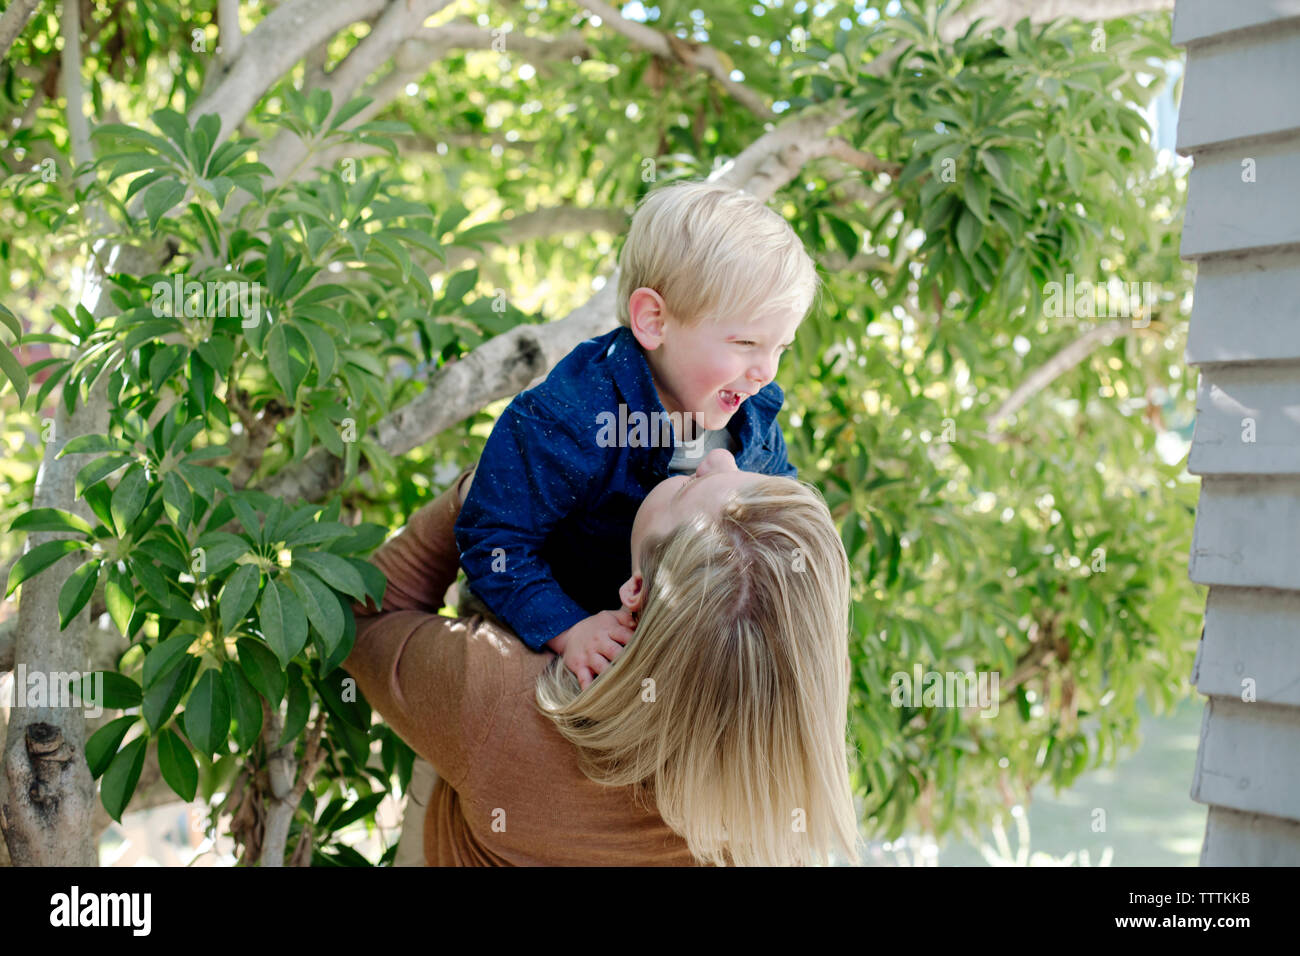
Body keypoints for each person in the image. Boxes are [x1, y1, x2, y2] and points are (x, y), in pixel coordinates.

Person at [346, 449, 861, 866]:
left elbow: (359, 616)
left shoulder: (499, 695)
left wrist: (484, 495)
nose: (722, 457)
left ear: (635, 594)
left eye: (689, 488)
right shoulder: (778, 823)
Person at [454, 179, 821, 688]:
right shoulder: (570, 420)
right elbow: (493, 539)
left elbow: (775, 504)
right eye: (746, 342)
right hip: (536, 623)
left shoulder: (750, 414)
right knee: (491, 726)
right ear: (654, 320)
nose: (766, 371)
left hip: (654, 640)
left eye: (781, 346)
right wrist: (567, 628)